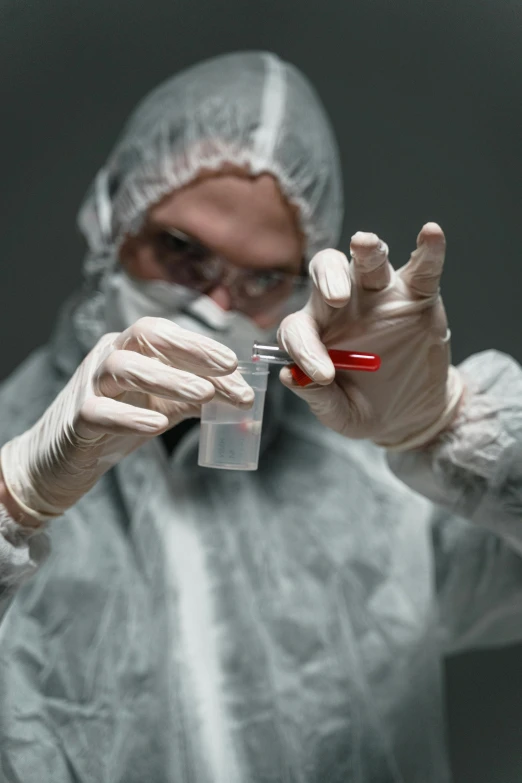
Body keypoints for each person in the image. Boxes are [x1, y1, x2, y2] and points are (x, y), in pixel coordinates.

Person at [0, 50, 521, 783]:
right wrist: (13, 502)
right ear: (112, 219)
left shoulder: (370, 475)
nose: (217, 305)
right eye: (182, 252)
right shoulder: (16, 461)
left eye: (264, 278)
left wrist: (448, 426)